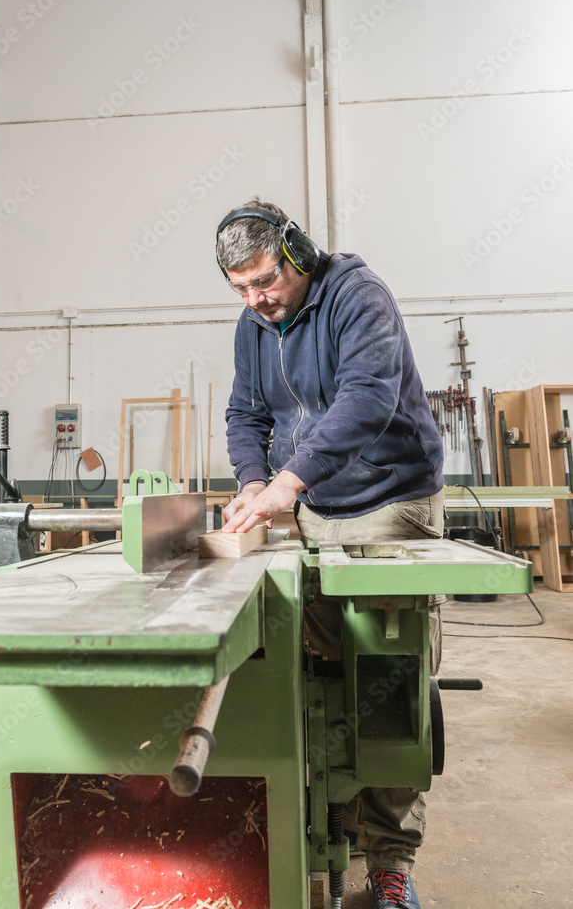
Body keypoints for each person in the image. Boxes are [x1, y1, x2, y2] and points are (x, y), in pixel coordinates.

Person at [217, 198, 445, 909]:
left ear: (298, 253)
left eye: (265, 282)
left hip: (386, 500)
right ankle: (331, 825)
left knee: (387, 686)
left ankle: (391, 863)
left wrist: (287, 482)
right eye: (242, 291)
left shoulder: (357, 296)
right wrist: (254, 482)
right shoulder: (254, 325)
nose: (257, 302)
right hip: (312, 509)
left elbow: (366, 398)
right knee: (318, 674)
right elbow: (245, 412)